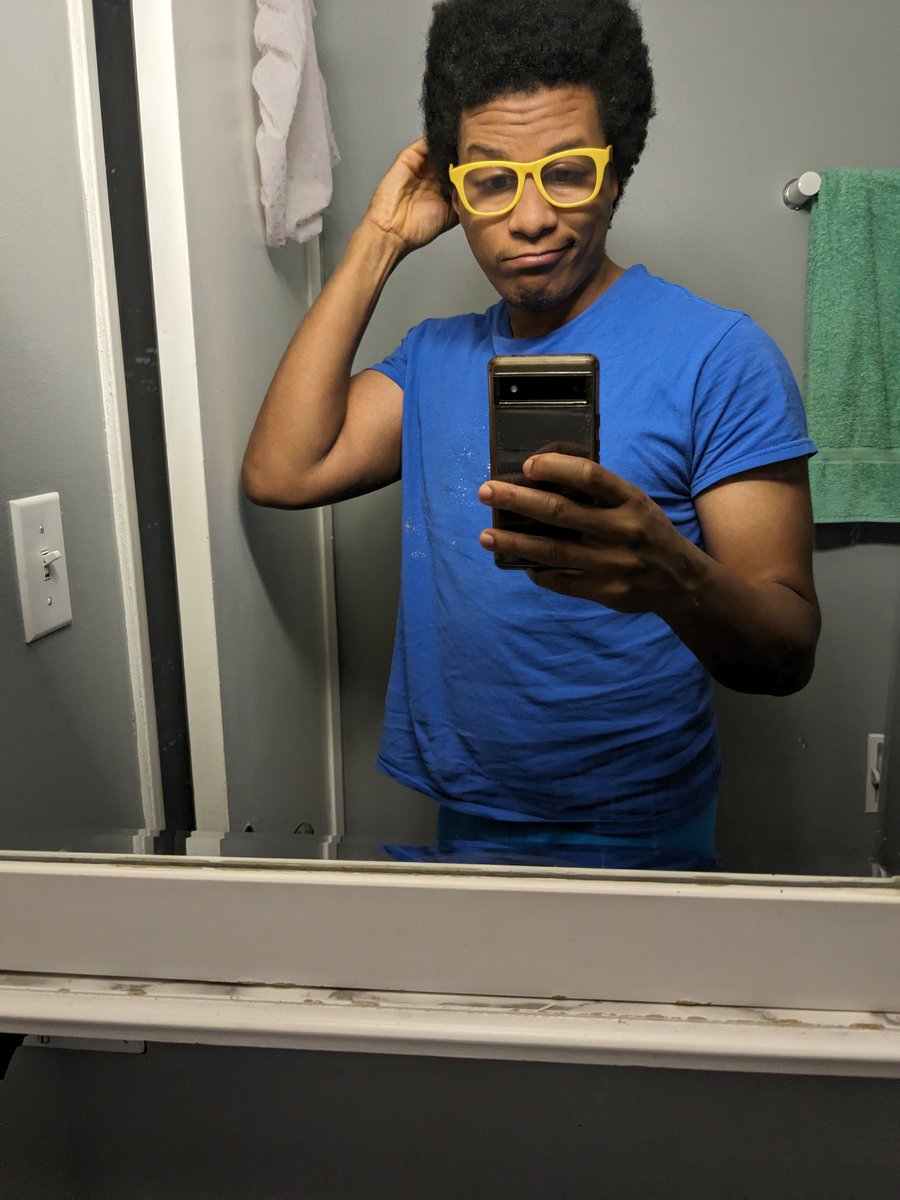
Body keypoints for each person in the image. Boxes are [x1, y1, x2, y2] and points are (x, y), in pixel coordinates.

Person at [242, 0, 820, 871]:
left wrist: (671, 574)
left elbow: (788, 650)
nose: (531, 217)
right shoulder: (431, 360)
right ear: (456, 193)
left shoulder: (720, 356)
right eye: (491, 181)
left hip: (645, 822)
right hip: (464, 810)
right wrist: (380, 239)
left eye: (568, 173)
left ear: (617, 174)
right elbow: (283, 472)